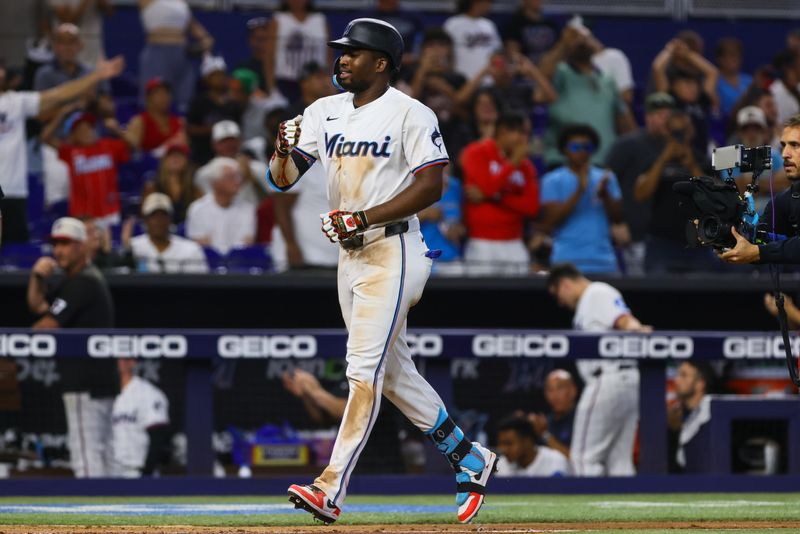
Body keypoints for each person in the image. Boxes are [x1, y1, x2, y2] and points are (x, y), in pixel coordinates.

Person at [268, 18, 498, 525]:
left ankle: (329, 488)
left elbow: (432, 185)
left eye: (354, 52)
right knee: (392, 373)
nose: (342, 58)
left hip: (393, 250)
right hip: (349, 257)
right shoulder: (323, 110)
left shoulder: (409, 113)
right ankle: (468, 457)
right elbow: (282, 180)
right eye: (342, 51)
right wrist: (282, 150)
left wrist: (365, 217)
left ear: (382, 63)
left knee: (362, 371)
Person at [0, 55, 124, 244]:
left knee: (14, 255)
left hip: (13, 192)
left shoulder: (16, 102)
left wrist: (96, 76)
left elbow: (59, 95)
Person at [27, 217, 116, 477]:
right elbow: (39, 306)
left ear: (81, 246)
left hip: (85, 384)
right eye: (55, 244)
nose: (59, 251)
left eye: (65, 244)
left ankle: (94, 517)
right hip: (98, 382)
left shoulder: (83, 282)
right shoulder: (74, 281)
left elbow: (46, 325)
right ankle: (116, 514)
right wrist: (37, 278)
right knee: (102, 454)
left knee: (86, 456)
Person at [546, 263, 650, 476]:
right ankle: (627, 509)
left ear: (565, 284)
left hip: (608, 378)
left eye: (558, 295)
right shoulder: (590, 300)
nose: (560, 302)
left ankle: (584, 510)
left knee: (584, 457)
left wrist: (636, 329)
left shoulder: (596, 292)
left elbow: (623, 319)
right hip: (626, 378)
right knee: (619, 460)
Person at [539, 25, 635, 169]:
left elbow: (624, 121)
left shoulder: (607, 80)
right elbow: (543, 72)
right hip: (564, 164)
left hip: (603, 163)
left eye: (586, 38)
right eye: (577, 39)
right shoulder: (561, 73)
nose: (582, 41)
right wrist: (564, 44)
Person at [604, 92, 676, 275]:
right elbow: (606, 181)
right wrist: (616, 222)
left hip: (669, 236)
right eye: (660, 115)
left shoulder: (679, 148)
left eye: (669, 116)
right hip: (635, 234)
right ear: (648, 117)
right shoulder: (628, 144)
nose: (665, 121)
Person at [460, 112, 540, 275]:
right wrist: (512, 164)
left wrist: (495, 197)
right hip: (481, 241)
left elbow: (531, 207)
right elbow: (488, 188)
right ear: (503, 131)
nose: (524, 140)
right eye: (521, 133)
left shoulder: (525, 165)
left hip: (514, 241)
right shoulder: (476, 152)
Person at [540, 124, 624, 274]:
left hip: (603, 260)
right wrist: (580, 190)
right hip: (566, 261)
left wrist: (606, 196)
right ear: (564, 150)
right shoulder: (552, 180)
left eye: (587, 147)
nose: (582, 152)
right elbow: (550, 222)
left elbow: (618, 218)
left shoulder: (606, 178)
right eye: (575, 147)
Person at [721, 114, 800, 265]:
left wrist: (759, 253)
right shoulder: (786, 199)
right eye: (783, 145)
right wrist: (723, 236)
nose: (785, 154)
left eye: (795, 145)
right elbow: (758, 237)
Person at [48, 111, 130, 226]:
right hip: (83, 217)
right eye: (81, 130)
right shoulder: (70, 152)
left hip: (110, 213)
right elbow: (45, 137)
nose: (87, 132)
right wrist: (61, 115)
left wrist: (117, 130)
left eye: (89, 127)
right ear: (73, 135)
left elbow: (134, 146)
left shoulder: (108, 145)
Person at [137, 0, 214, 112]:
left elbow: (191, 23)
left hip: (182, 54)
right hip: (157, 53)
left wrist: (205, 38)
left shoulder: (180, 3)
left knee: (185, 101)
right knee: (155, 99)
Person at [111, 358, 171, 477]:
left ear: (133, 362)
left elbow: (158, 437)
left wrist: (146, 474)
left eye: (124, 358)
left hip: (137, 470)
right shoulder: (109, 396)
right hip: (112, 470)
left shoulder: (148, 393)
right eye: (117, 359)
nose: (119, 362)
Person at [262, 0, 330, 102]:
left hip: (314, 83)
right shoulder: (278, 20)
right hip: (285, 83)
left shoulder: (320, 20)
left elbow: (329, 56)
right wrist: (272, 89)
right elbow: (269, 58)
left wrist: (328, 83)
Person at [186, 156, 255, 254]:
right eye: (230, 177)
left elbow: (246, 243)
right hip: (206, 265)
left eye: (237, 176)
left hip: (239, 264)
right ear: (215, 183)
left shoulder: (248, 209)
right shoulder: (197, 209)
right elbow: (202, 247)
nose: (237, 181)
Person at [194, 120, 268, 208]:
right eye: (224, 141)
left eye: (232, 140)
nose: (229, 144)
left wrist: (251, 178)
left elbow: (270, 201)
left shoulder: (258, 168)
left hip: (251, 219)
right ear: (214, 144)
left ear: (240, 141)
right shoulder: (204, 174)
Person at [130, 192, 208, 273]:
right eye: (153, 215)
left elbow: (198, 283)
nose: (158, 220)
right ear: (145, 220)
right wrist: (127, 251)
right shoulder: (132, 248)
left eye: (163, 215)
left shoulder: (191, 250)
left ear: (170, 219)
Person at [668, 361, 715, 473]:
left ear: (700, 384)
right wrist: (672, 431)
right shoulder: (673, 414)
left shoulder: (712, 414)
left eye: (683, 375)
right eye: (678, 375)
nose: (676, 380)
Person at [122, 77, 186, 153]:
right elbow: (132, 148)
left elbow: (185, 149)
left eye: (166, 93)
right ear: (148, 98)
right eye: (159, 93)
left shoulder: (179, 122)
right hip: (148, 164)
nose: (164, 97)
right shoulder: (139, 122)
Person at [495, 414, 571, 477]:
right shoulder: (501, 465)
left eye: (508, 444)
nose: (503, 449)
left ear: (527, 442)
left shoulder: (555, 461)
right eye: (500, 444)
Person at [142, 142, 200, 224]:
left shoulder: (195, 190)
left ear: (186, 161)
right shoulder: (152, 187)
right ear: (164, 161)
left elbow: (202, 214)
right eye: (172, 156)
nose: (176, 158)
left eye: (180, 156)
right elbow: (145, 214)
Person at [443, 0, 502, 80]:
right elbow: (445, 54)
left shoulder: (489, 25)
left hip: (488, 80)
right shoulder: (453, 24)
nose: (489, 6)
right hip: (462, 80)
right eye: (487, 2)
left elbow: (497, 52)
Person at [528, 369, 576, 458]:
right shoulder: (544, 423)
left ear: (573, 390)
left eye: (560, 388)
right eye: (550, 390)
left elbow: (577, 460)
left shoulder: (584, 420)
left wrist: (544, 435)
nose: (554, 395)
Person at [503, 0, 560, 65]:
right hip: (526, 69)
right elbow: (513, 54)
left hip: (550, 67)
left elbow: (558, 49)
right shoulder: (515, 24)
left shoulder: (551, 24)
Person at [715, 38, 753, 120]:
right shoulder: (715, 82)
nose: (734, 59)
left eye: (737, 55)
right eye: (730, 55)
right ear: (720, 59)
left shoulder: (749, 80)